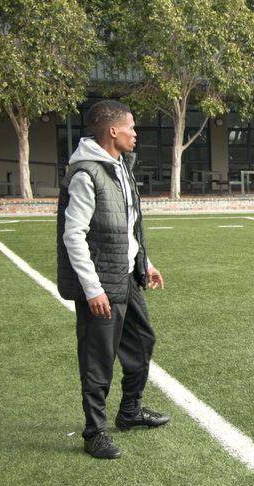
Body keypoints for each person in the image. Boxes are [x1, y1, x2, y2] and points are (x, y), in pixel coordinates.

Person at [57, 100, 169, 459]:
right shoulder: (86, 174)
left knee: (140, 342)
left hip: (125, 276)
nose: (136, 133)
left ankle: (131, 411)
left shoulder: (121, 166)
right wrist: (92, 290)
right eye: (131, 127)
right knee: (98, 358)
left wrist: (145, 262)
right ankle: (94, 433)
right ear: (112, 131)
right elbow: (73, 235)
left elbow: (128, 224)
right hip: (102, 281)